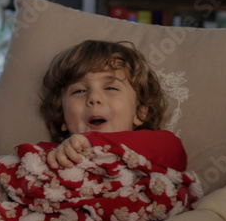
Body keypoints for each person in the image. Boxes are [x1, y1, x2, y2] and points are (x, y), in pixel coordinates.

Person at [38, 39, 186, 173]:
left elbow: (174, 151)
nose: (94, 98)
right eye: (80, 91)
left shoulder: (160, 146)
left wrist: (93, 141)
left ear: (140, 111)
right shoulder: (48, 155)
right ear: (62, 115)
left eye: (110, 88)